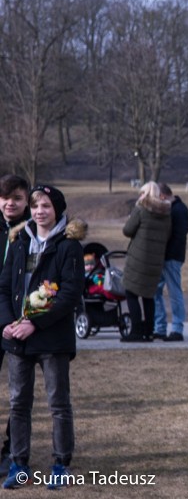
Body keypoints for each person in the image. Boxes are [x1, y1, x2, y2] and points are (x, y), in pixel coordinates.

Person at [0, 185, 85, 489]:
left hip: (52, 339)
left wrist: (34, 324)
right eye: (35, 206)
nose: (39, 212)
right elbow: (4, 288)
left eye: (46, 206)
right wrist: (8, 323)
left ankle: (61, 462)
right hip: (17, 339)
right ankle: (19, 463)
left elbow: (70, 295)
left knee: (57, 404)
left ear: (57, 209)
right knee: (18, 403)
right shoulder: (19, 240)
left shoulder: (69, 246)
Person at [0, 175, 29, 476]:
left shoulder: (33, 232)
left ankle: (13, 450)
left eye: (17, 198)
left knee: (19, 393)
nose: (10, 203)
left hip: (18, 323)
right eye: (5, 197)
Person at [120, 181, 171, 342]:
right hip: (155, 261)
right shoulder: (166, 213)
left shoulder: (141, 210)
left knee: (131, 292)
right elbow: (168, 235)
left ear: (146, 194)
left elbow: (127, 230)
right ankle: (149, 330)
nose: (140, 196)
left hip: (138, 259)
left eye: (142, 193)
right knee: (148, 295)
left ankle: (136, 331)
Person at [153, 183, 188, 342]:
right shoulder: (175, 209)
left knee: (174, 293)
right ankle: (159, 327)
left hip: (172, 257)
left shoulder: (178, 210)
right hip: (165, 257)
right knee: (156, 291)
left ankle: (177, 328)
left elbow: (178, 237)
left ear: (162, 196)